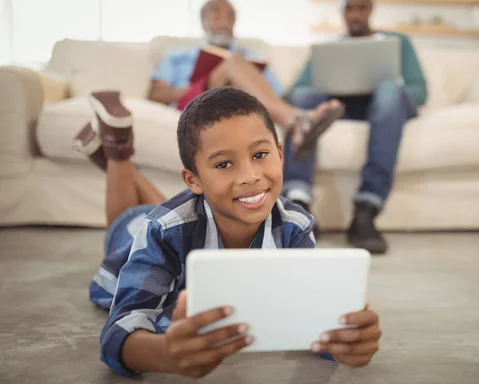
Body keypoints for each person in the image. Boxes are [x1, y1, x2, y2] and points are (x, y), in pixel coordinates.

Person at [72, 88, 381, 378]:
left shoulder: (295, 226)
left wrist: (343, 336)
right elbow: (119, 329)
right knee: (125, 223)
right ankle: (117, 153)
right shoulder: (161, 231)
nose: (250, 177)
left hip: (195, 211)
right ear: (192, 180)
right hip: (141, 234)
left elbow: (309, 313)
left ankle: (118, 163)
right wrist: (164, 353)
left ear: (280, 153)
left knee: (180, 211)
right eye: (224, 164)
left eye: (260, 155)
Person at [282, 0, 428, 254]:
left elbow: (419, 91)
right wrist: (333, 88)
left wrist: (382, 84)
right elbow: (295, 93)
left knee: (388, 91)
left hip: (386, 106)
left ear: (371, 8)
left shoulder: (397, 42)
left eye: (362, 7)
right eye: (349, 8)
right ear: (340, 10)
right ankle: (298, 201)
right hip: (344, 108)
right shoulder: (330, 49)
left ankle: (366, 210)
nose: (355, 15)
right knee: (306, 97)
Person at [149, 0, 344, 158]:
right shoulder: (179, 56)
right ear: (203, 21)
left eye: (230, 16)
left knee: (238, 65)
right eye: (216, 13)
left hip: (237, 104)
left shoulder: (251, 57)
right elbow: (155, 94)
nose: (223, 21)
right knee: (234, 62)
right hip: (196, 101)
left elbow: (276, 95)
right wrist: (189, 89)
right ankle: (295, 120)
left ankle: (297, 121)